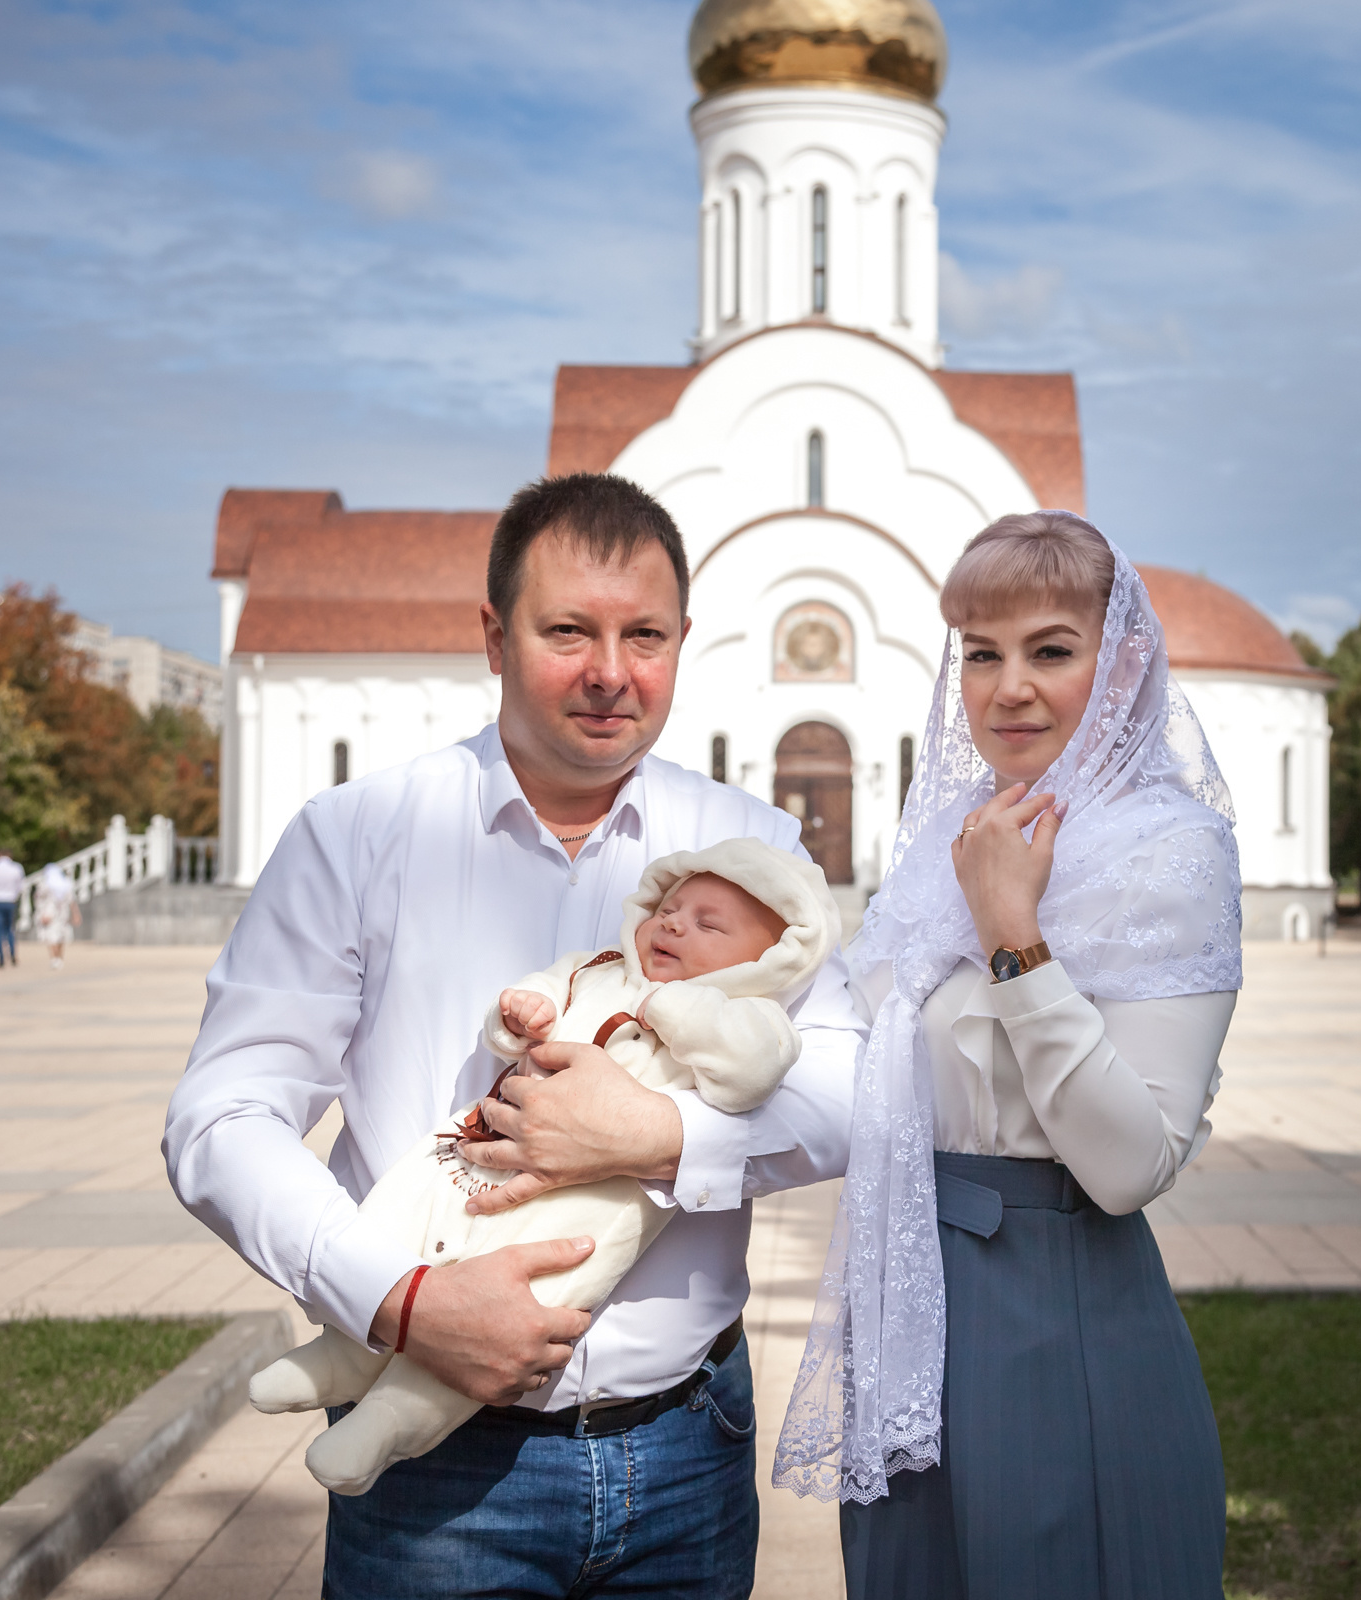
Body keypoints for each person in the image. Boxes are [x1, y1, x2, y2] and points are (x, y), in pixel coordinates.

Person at [164, 473, 861, 1600]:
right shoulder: (358, 835)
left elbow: (849, 1084)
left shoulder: (750, 845)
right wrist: (397, 1298)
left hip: (687, 1443)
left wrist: (656, 1134)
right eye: (568, 631)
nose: (609, 671)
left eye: (644, 635)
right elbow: (221, 1116)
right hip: (442, 1474)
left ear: (683, 640)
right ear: (493, 636)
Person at [776, 511, 1239, 1599]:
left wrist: (1015, 938)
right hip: (910, 1304)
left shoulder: (1168, 853)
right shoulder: (954, 838)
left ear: (1121, 663)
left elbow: (1132, 1167)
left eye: (1049, 649)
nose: (1008, 686)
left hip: (1055, 1306)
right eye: (981, 653)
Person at [251, 838, 841, 1497]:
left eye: (708, 924)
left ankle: (392, 1422)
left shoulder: (747, 1016)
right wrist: (521, 1011)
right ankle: (344, 1349)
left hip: (586, 1214)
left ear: (765, 960)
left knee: (518, 1309)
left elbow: (751, 1073)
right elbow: (543, 991)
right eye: (669, 908)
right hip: (480, 1150)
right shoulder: (601, 967)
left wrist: (678, 1006)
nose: (674, 924)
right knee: (400, 1205)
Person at [35, 862, 77, 969]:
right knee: (60, 936)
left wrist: (42, 914)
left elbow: (39, 901)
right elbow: (71, 901)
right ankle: (58, 958)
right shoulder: (66, 883)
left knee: (52, 936)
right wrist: (76, 914)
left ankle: (55, 958)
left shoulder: (45, 885)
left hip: (50, 913)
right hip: (63, 913)